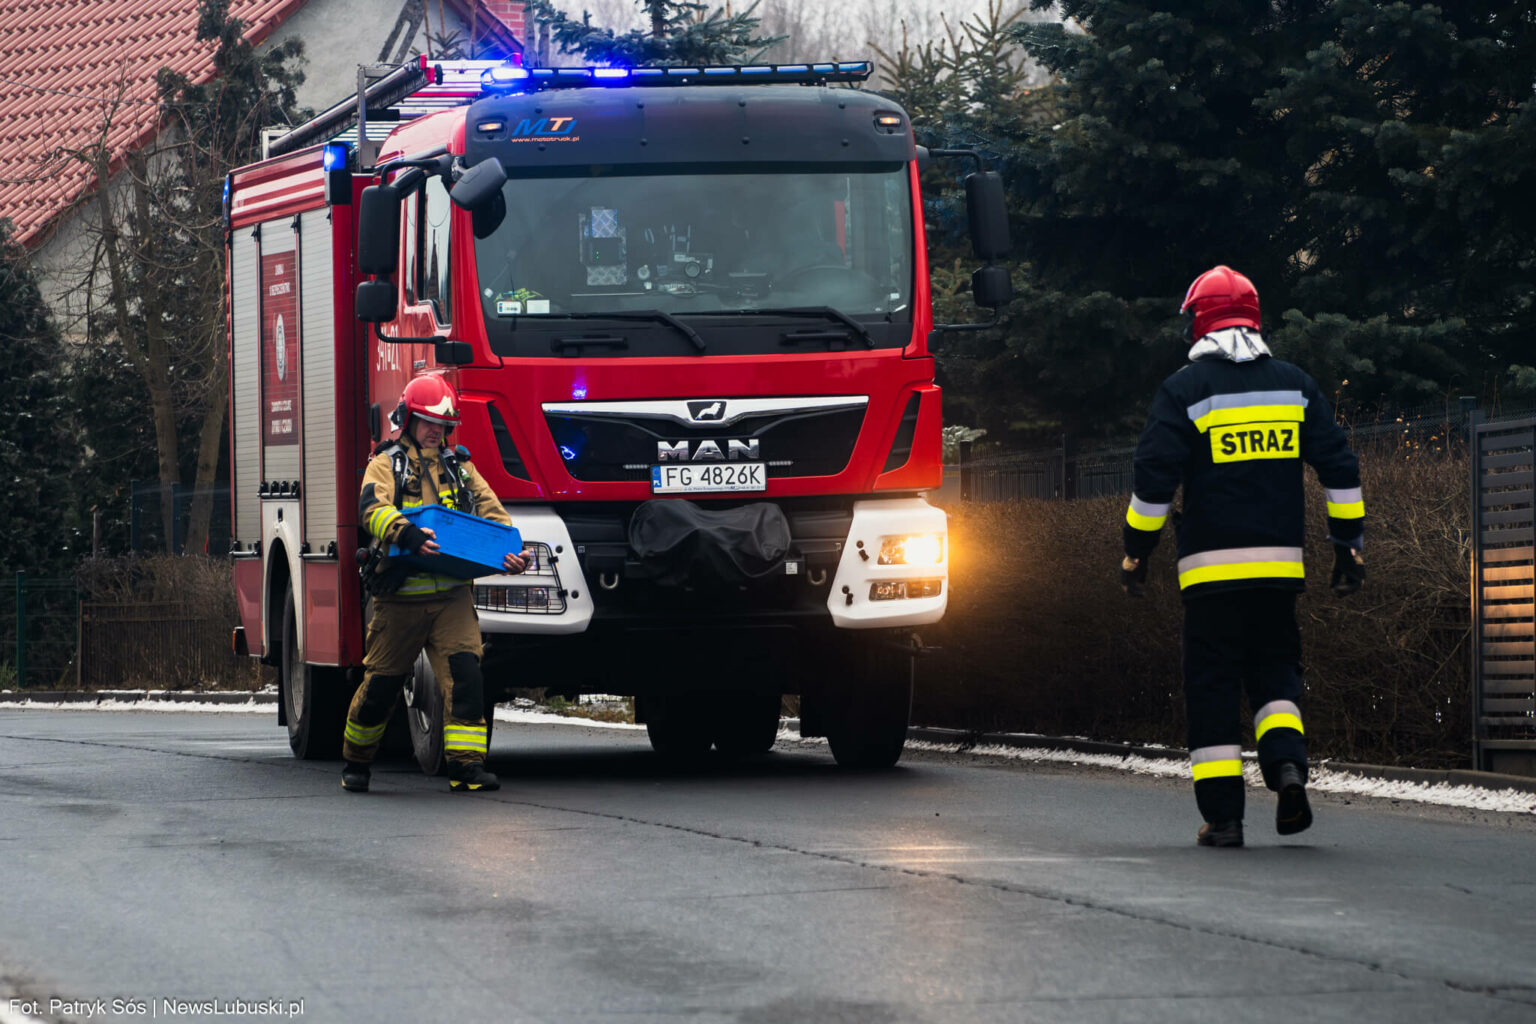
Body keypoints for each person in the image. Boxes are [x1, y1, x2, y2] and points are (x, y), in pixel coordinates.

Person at [1121, 265, 1365, 847]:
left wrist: (1137, 552)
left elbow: (1154, 480)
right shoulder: (1295, 385)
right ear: (1255, 319)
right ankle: (1286, 766)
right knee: (1275, 673)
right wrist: (1347, 546)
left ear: (1197, 323)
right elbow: (1340, 466)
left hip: (1209, 575)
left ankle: (1224, 818)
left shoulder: (1184, 389)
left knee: (1212, 686)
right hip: (1279, 571)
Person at [342, 374, 528, 794]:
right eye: (427, 422)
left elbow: (493, 515)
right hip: (400, 600)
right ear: (408, 420)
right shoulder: (385, 463)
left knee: (466, 677)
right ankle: (356, 759)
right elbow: (371, 507)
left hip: (451, 598)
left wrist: (513, 553)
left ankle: (466, 769)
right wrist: (405, 534)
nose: (435, 431)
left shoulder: (460, 467)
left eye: (442, 425)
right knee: (382, 687)